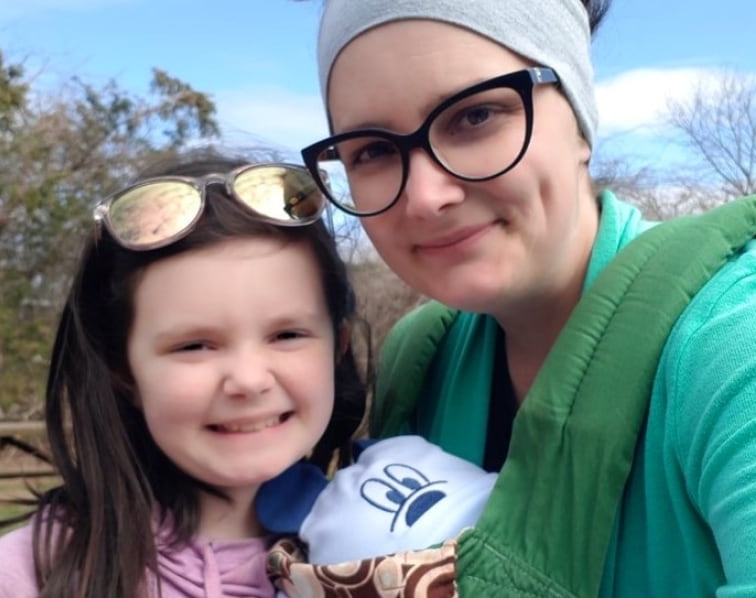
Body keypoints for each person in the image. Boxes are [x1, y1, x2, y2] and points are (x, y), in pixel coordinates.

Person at [297, 0, 756, 596]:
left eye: (475, 115)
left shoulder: (727, 343)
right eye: (373, 151)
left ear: (579, 121)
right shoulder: (422, 358)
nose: (425, 197)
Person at [0, 155, 369, 597]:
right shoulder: (25, 576)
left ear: (338, 346)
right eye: (194, 346)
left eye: (287, 334)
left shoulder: (388, 548)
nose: (248, 379)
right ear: (123, 370)